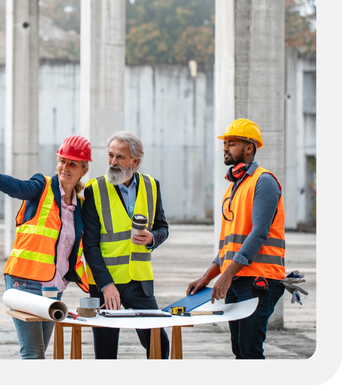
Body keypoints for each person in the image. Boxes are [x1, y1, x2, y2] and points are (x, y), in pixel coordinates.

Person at [0, 135, 92, 359]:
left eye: (72, 163)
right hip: (24, 281)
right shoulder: (42, 187)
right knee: (33, 353)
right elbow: (19, 187)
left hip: (54, 287)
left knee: (40, 351)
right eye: (62, 161)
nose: (65, 167)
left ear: (83, 170)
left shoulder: (81, 205)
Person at [187, 118, 285, 359]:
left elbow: (259, 233)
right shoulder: (234, 187)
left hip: (259, 280)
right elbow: (228, 245)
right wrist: (208, 276)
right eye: (225, 143)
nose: (225, 148)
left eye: (231, 143)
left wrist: (226, 275)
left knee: (250, 351)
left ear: (249, 148)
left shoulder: (264, 182)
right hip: (237, 279)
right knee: (239, 350)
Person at [82, 131, 170, 359]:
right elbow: (89, 245)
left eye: (119, 157)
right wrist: (106, 285)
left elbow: (162, 228)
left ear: (135, 162)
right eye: (110, 155)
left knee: (159, 344)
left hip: (139, 282)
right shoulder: (94, 190)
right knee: (106, 351)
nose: (112, 162)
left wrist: (152, 238)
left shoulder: (152, 186)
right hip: (105, 284)